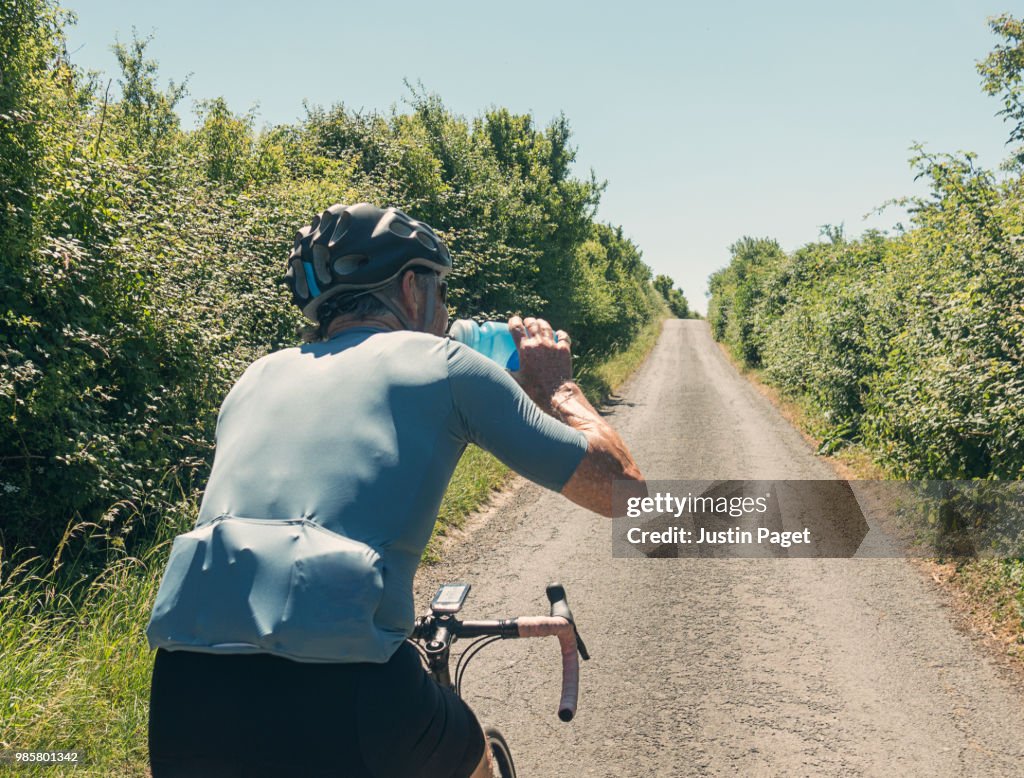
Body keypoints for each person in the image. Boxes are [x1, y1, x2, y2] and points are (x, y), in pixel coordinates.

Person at [145, 202, 644, 777]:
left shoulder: (255, 377)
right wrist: (559, 388)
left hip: (184, 701)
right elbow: (624, 493)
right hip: (352, 701)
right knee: (468, 753)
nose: (447, 313)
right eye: (442, 292)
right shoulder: (447, 364)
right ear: (412, 289)